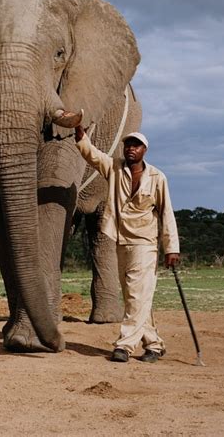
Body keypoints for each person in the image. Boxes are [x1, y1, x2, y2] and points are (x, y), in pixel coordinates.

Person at [75, 124, 180, 363]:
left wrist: (171, 248)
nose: (131, 149)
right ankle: (154, 345)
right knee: (136, 296)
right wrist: (81, 137)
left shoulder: (157, 177)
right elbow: (92, 155)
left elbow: (167, 214)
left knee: (135, 295)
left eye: (136, 145)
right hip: (121, 241)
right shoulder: (114, 168)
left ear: (145, 150)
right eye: (128, 145)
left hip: (146, 244)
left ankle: (124, 345)